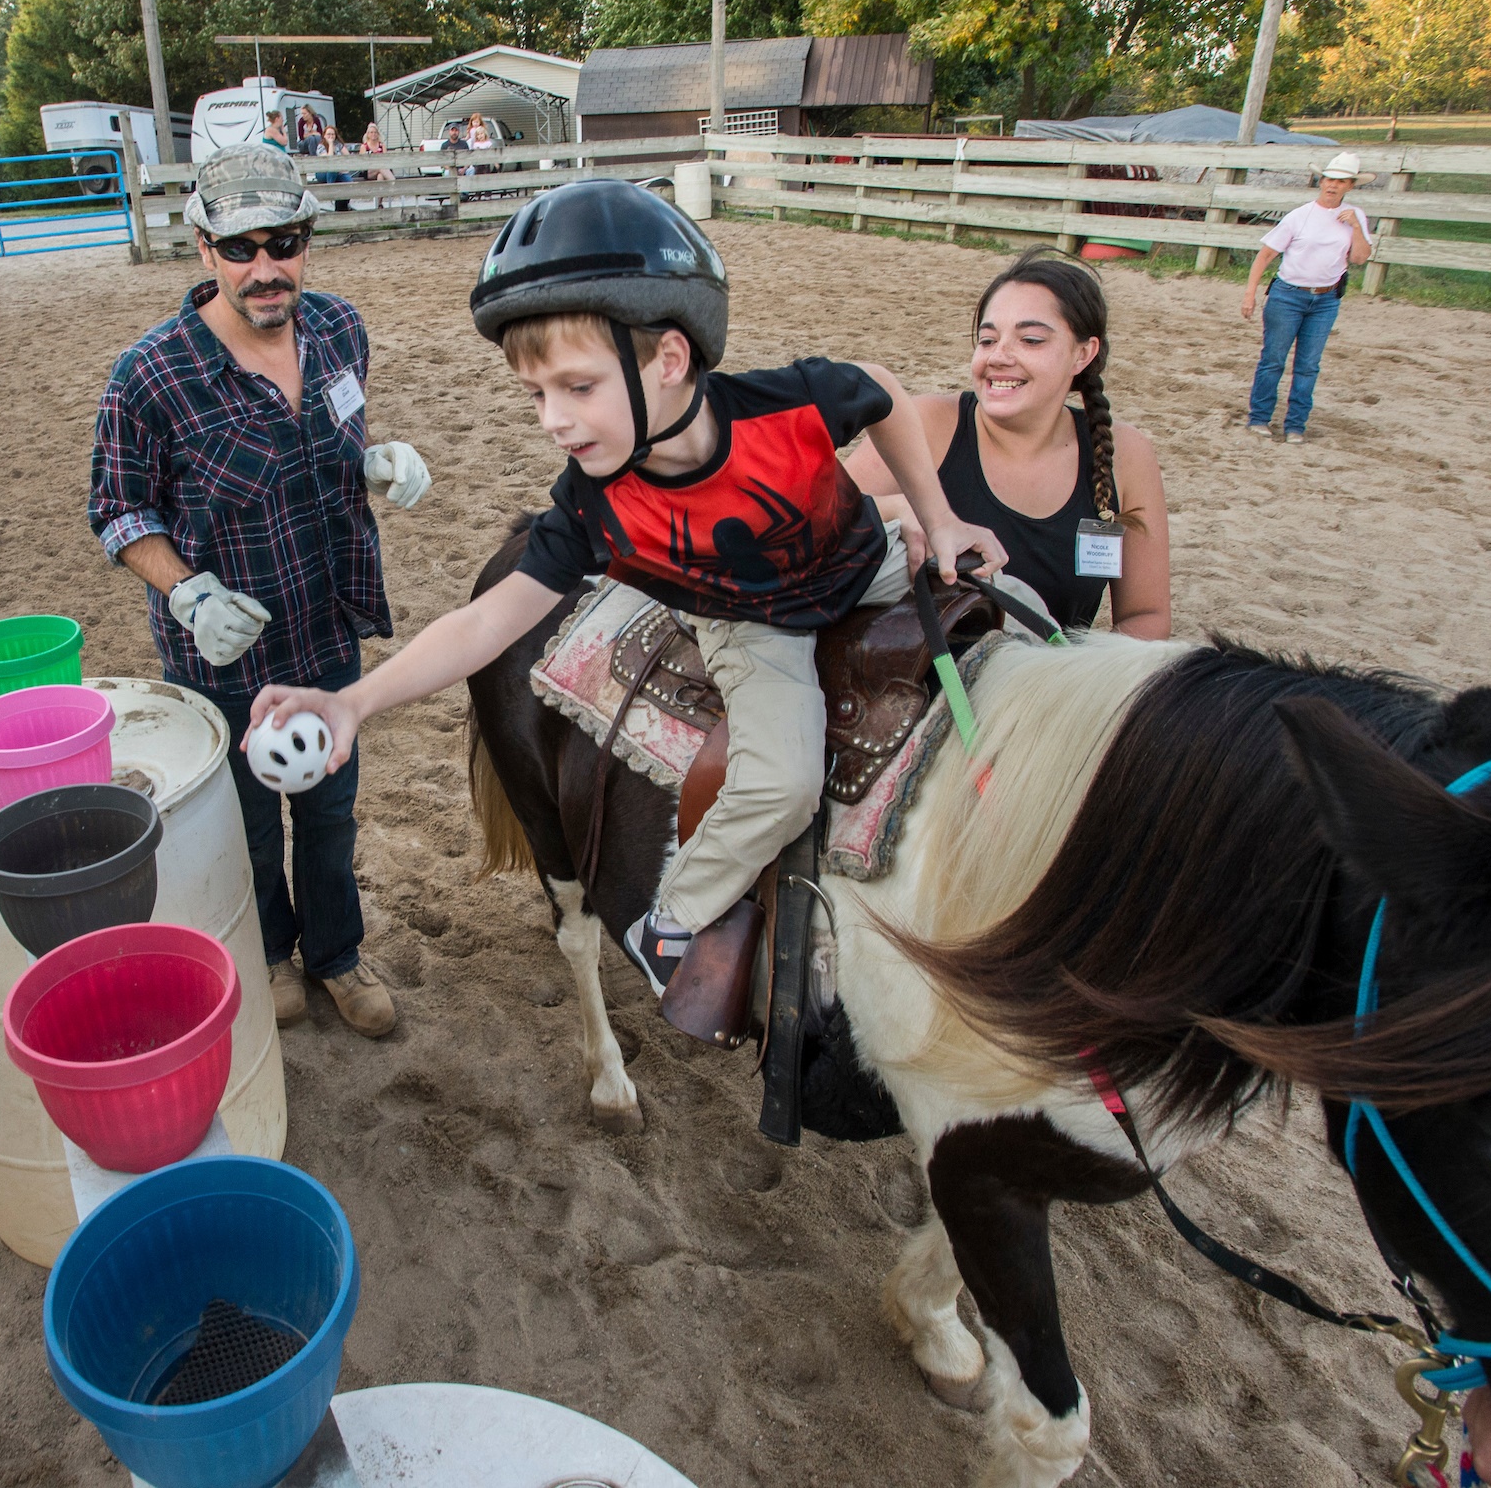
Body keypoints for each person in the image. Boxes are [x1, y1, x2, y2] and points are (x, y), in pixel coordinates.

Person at [250, 179, 1002, 996]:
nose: (552, 420)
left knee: (1011, 614)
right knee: (781, 782)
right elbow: (484, 625)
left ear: (669, 361)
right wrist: (353, 702)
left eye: (577, 387)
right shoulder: (593, 507)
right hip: (755, 625)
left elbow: (885, 392)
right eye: (537, 394)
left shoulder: (790, 406)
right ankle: (670, 917)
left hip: (865, 562)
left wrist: (941, 517)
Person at [89, 144, 433, 1039]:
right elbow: (118, 511)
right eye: (240, 247)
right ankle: (272, 952)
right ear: (203, 250)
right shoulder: (151, 375)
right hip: (222, 655)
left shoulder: (341, 330)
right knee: (244, 823)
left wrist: (374, 460)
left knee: (329, 811)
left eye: (283, 242)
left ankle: (336, 956)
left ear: (307, 242)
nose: (264, 266)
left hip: (324, 628)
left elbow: (329, 446)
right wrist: (188, 592)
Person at [844, 250, 1168, 637]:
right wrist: (900, 508)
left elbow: (1146, 615)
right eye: (987, 339)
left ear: (1083, 354)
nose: (999, 357)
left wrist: (1069, 678)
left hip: (1040, 682)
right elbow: (803, 516)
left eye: (1030, 340)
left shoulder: (1126, 456)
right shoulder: (926, 425)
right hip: (912, 681)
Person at [1242, 151, 1373, 443]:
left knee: (1308, 364)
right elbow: (1265, 255)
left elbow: (1361, 257)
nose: (1332, 185)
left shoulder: (1356, 217)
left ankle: (1295, 425)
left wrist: (1355, 227)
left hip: (1326, 299)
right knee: (1274, 358)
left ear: (1350, 186)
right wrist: (1250, 294)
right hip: (1288, 295)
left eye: (1340, 181)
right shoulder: (1300, 216)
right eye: (1328, 179)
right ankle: (1259, 417)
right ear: (1321, 180)